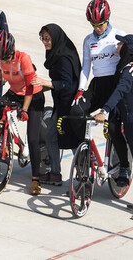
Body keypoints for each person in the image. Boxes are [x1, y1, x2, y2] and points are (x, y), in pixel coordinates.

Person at [93, 34, 133, 220]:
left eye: (121, 43)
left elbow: (120, 91)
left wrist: (104, 110)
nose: (117, 45)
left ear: (128, 49)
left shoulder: (130, 71)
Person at [70, 0, 130, 186]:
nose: (97, 27)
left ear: (108, 19)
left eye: (101, 24)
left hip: (115, 85)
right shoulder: (88, 40)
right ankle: (87, 154)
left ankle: (125, 167)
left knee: (113, 128)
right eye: (93, 24)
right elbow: (86, 66)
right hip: (97, 85)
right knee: (75, 113)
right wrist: (81, 89)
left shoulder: (118, 35)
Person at [0, 31, 45, 195]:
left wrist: (24, 109)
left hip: (33, 95)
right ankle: (4, 139)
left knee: (32, 138)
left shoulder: (23, 58)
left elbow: (30, 86)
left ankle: (35, 180)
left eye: (6, 58)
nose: (4, 61)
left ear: (12, 50)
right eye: (1, 58)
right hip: (15, 92)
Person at [31, 23, 83, 186]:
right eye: (43, 38)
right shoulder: (56, 53)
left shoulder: (64, 58)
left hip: (68, 106)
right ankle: (55, 173)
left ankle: (82, 175)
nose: (45, 42)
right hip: (61, 103)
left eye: (47, 39)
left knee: (71, 141)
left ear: (56, 38)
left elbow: (67, 84)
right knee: (53, 136)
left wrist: (45, 82)